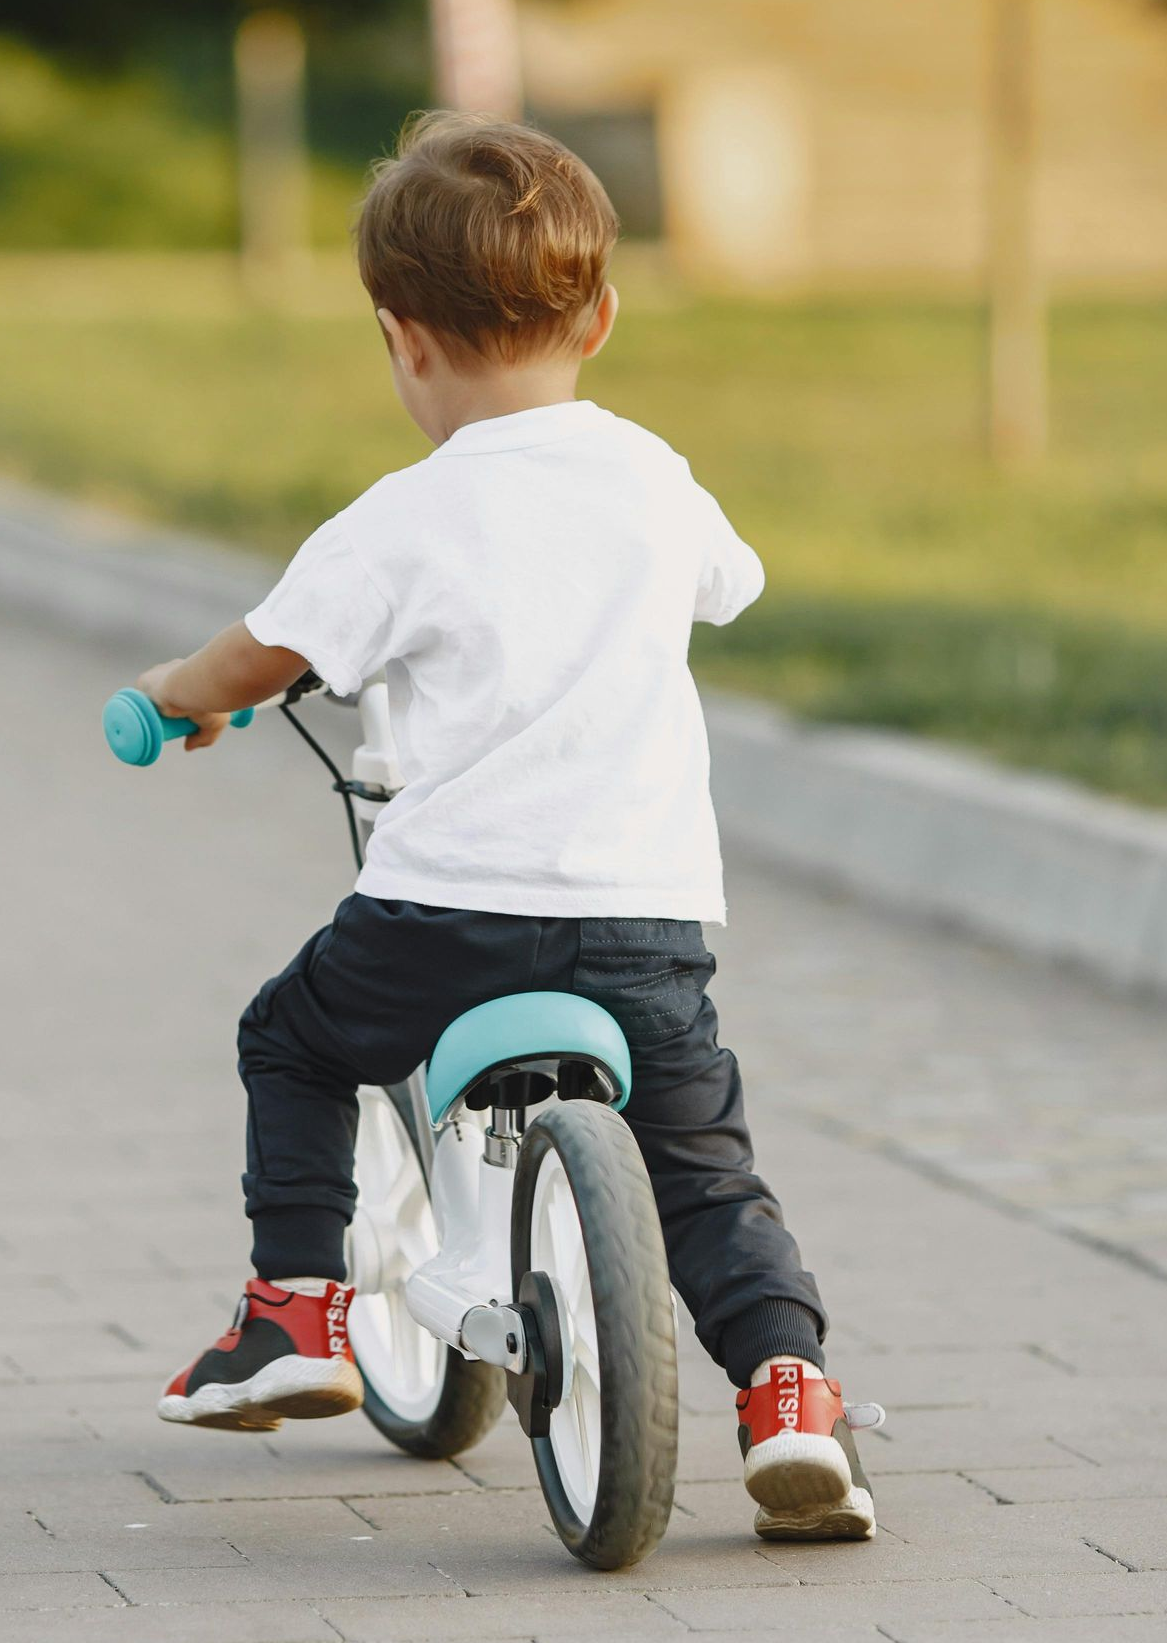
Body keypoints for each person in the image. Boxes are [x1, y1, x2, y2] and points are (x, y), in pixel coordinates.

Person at [134, 112, 878, 1542]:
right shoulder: (653, 479)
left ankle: (293, 1310)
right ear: (600, 314)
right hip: (643, 917)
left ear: (402, 341)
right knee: (708, 1176)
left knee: (289, 1037)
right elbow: (733, 581)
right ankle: (792, 1394)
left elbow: (259, 658)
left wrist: (177, 697)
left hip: (446, 918)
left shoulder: (401, 519)